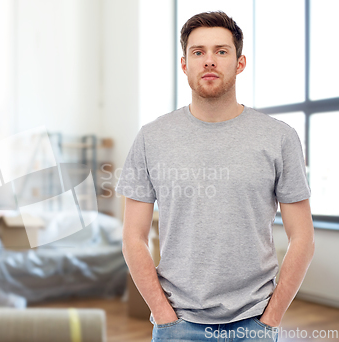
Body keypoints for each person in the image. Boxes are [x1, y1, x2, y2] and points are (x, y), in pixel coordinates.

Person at [115, 11, 315, 342]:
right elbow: (133, 237)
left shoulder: (279, 138)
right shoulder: (152, 138)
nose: (209, 61)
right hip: (176, 323)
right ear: (184, 65)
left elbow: (303, 237)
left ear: (239, 63)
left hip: (254, 323)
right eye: (198, 52)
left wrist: (272, 317)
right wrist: (164, 315)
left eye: (221, 51)